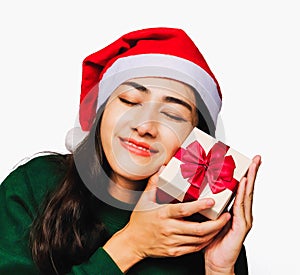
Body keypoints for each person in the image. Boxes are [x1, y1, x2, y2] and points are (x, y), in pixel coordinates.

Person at [0, 27, 261, 275]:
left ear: (197, 139)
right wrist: (130, 245)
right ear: (101, 111)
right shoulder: (33, 184)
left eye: (172, 115)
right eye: (130, 101)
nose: (145, 126)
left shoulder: (206, 230)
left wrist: (219, 269)